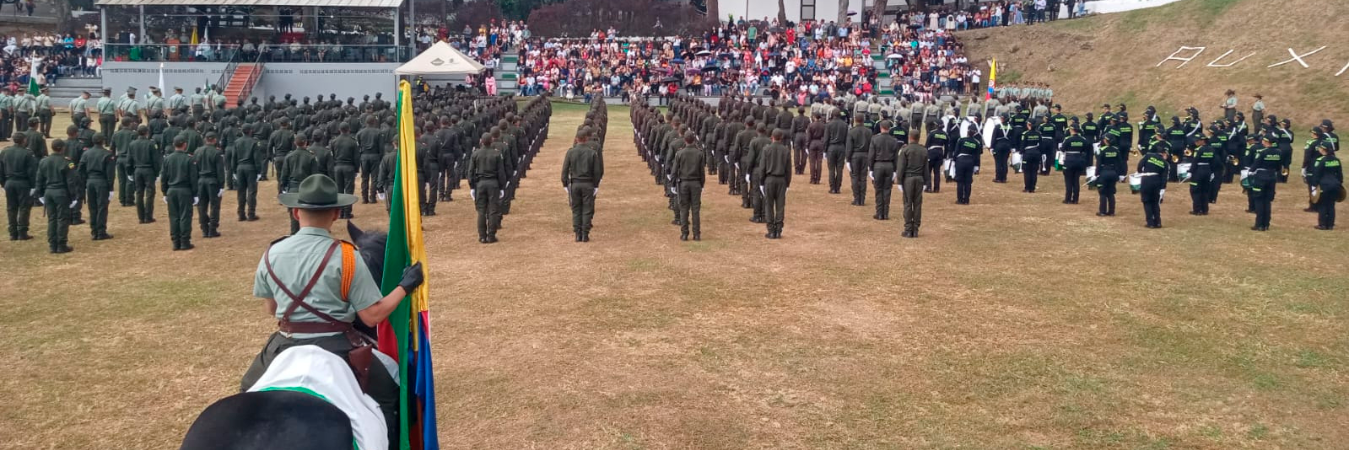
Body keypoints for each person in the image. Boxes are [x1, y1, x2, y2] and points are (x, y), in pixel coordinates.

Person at [241, 172, 425, 445]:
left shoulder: (272, 252)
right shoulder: (347, 256)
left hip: (283, 343)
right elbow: (372, 315)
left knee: (246, 390)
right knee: (390, 392)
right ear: (336, 214)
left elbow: (272, 308)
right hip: (337, 345)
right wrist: (405, 286)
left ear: (295, 213)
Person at [34, 139, 77, 253]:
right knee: (62, 218)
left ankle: (52, 244)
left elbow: (39, 179)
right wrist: (73, 196)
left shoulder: (44, 161)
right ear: (62, 148)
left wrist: (39, 193)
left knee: (52, 218)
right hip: (61, 192)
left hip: (49, 192)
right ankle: (61, 244)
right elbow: (71, 181)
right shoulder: (67, 162)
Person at [561, 128, 603, 242]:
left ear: (576, 139)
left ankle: (577, 234)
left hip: (575, 184)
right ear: (586, 139)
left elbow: (565, 170)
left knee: (576, 209)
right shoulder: (592, 152)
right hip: (588, 184)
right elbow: (597, 172)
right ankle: (585, 234)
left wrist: (565, 184)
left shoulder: (571, 152)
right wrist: (596, 185)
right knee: (587, 209)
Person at [77, 134, 116, 240]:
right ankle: (101, 231)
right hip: (101, 182)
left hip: (90, 181)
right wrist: (110, 188)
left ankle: (94, 230)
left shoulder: (86, 153)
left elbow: (80, 169)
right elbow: (110, 174)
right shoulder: (107, 154)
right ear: (103, 141)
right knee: (102, 207)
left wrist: (84, 182)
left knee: (92, 206)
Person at [468, 135, 505, 243]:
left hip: (480, 184)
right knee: (493, 210)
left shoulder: (476, 154)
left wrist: (472, 187)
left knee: (481, 211)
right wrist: (502, 187)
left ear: (481, 141)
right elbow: (501, 172)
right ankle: (491, 235)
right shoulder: (497, 154)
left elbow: (470, 172)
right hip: (493, 184)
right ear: (492, 141)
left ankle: (482, 236)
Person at [281, 136, 320, 235]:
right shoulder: (311, 157)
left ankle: (294, 235)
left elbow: (284, 174)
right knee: (308, 215)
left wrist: (283, 188)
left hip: (293, 188)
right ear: (306, 143)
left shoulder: (289, 156)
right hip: (306, 189)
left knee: (294, 216)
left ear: (295, 143)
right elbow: (315, 176)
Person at [2, 133, 36, 240]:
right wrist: (33, 186)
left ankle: (13, 232)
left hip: (9, 182)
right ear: (24, 141)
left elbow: (1, 170)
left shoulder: (4, 152)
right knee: (24, 207)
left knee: (11, 208)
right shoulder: (27, 153)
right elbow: (32, 172)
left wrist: (3, 183)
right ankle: (22, 232)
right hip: (23, 183)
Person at [671, 131, 705, 241]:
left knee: (684, 208)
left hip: (684, 183)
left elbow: (674, 171)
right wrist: (702, 184)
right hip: (696, 183)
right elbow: (702, 172)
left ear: (685, 140)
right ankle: (696, 234)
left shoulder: (680, 153)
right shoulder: (699, 153)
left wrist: (672, 184)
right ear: (694, 140)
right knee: (695, 209)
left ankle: (685, 234)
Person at [759, 130, 792, 239]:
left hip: (769, 179)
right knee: (780, 206)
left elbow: (762, 167)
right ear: (781, 137)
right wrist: (788, 183)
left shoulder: (766, 149)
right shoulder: (786, 150)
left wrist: (761, 182)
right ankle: (778, 230)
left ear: (772, 137)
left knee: (768, 205)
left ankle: (771, 231)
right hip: (782, 180)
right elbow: (788, 169)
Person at [895, 130, 928, 238]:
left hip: (908, 179)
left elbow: (901, 167)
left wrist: (899, 181)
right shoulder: (923, 150)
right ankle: (916, 229)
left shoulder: (905, 150)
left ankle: (908, 229)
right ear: (918, 138)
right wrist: (926, 182)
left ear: (910, 137)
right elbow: (926, 168)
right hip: (920, 179)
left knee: (908, 204)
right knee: (918, 204)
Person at [1247, 135, 1282, 231]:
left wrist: (1249, 172)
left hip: (1261, 177)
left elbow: (1255, 165)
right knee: (1267, 201)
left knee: (1259, 200)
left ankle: (1259, 224)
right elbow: (1279, 167)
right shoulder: (1278, 152)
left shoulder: (1262, 152)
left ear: (1266, 142)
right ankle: (1266, 224)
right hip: (1272, 177)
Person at [229, 124, 263, 221]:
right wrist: (259, 171)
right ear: (250, 131)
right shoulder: (254, 142)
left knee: (241, 192)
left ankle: (241, 214)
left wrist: (234, 170)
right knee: (251, 192)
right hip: (251, 168)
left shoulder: (236, 142)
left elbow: (233, 157)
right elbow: (256, 158)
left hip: (240, 168)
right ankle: (251, 214)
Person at [194, 133, 225, 238]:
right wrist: (221, 186)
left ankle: (204, 228)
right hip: (212, 181)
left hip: (200, 181)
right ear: (215, 140)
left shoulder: (197, 152)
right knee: (214, 206)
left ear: (205, 140)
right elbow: (220, 171)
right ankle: (212, 229)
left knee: (201, 206)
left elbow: (195, 169)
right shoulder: (217, 153)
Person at [868, 120, 900, 220]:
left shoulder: (875, 139)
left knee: (878, 190)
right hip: (890, 165)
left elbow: (871, 155)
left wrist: (871, 168)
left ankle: (879, 213)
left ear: (881, 127)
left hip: (878, 165)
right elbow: (896, 157)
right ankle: (885, 213)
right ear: (889, 128)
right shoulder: (894, 140)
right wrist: (895, 170)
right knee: (887, 190)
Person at [128, 125, 160, 223]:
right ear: (147, 132)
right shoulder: (150, 144)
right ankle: (148, 216)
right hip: (148, 170)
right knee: (150, 193)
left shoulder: (132, 144)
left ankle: (141, 217)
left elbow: (129, 160)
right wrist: (157, 173)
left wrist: (129, 172)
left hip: (137, 170)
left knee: (139, 193)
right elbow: (155, 160)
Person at [1309, 142, 1341, 230]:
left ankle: (1322, 224)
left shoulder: (1320, 160)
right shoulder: (1336, 160)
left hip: (1324, 185)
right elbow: (1340, 175)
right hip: (1335, 184)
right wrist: (1339, 184)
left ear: (1323, 149)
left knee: (1322, 205)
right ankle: (1330, 225)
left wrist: (1314, 186)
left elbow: (1316, 174)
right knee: (1331, 205)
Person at [1137, 142, 1169, 228]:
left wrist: (1141, 173)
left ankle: (1150, 222)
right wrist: (1163, 188)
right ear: (1163, 153)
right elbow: (1164, 177)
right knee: (1155, 202)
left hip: (1146, 180)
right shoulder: (1165, 163)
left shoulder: (1148, 156)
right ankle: (1158, 222)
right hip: (1156, 181)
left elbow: (1140, 165)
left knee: (1147, 201)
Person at [952, 127, 983, 204]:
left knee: (960, 181)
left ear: (967, 132)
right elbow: (977, 156)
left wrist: (954, 161)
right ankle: (966, 200)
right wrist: (977, 166)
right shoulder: (977, 142)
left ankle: (959, 200)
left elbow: (956, 152)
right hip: (970, 162)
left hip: (960, 161)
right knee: (968, 182)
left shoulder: (961, 140)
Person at [846, 115, 872, 206]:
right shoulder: (869, 131)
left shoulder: (852, 131)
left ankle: (857, 198)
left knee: (855, 177)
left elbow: (849, 147)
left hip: (855, 156)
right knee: (863, 178)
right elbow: (871, 147)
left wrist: (848, 159)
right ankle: (862, 199)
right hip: (866, 155)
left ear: (855, 120)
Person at [1188, 134, 1216, 216]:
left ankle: (1197, 210)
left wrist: (1190, 171)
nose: (1195, 142)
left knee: (1195, 190)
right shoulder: (1212, 149)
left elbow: (1195, 161)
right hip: (1208, 170)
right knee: (1205, 191)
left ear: (1202, 141)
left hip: (1198, 171)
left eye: (1197, 140)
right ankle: (1205, 209)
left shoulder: (1198, 150)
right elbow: (1213, 162)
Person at [1060, 126, 1089, 204]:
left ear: (1072, 130)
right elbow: (1086, 149)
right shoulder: (1083, 139)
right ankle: (1075, 199)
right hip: (1079, 161)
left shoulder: (1068, 139)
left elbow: (1062, 149)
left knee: (1068, 180)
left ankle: (1068, 199)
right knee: (1076, 181)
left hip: (1069, 161)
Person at [1094, 136, 1122, 216]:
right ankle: (1112, 212)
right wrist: (1118, 174)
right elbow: (1120, 163)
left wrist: (1096, 174)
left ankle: (1102, 211)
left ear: (1106, 141)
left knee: (1102, 192)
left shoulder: (1102, 150)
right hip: (1113, 172)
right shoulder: (1116, 150)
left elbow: (1098, 163)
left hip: (1104, 172)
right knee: (1111, 193)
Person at [824, 110, 848, 194]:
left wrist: (825, 150)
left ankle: (832, 188)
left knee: (831, 169)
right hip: (841, 147)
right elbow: (846, 139)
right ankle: (838, 187)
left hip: (831, 147)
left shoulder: (829, 124)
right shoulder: (845, 125)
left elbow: (826, 139)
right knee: (839, 169)